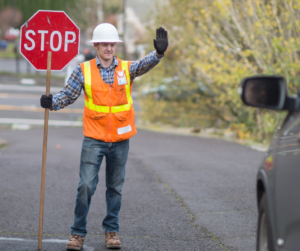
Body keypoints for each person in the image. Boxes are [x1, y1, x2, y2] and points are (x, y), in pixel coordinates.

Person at [40, 23, 168, 250]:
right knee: (86, 186)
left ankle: (111, 231)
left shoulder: (127, 69)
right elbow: (68, 95)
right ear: (96, 45)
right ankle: (77, 234)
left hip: (120, 140)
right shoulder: (84, 70)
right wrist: (53, 102)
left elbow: (143, 64)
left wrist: (158, 53)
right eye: (105, 44)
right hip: (94, 139)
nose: (109, 48)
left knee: (115, 188)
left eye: (112, 44)